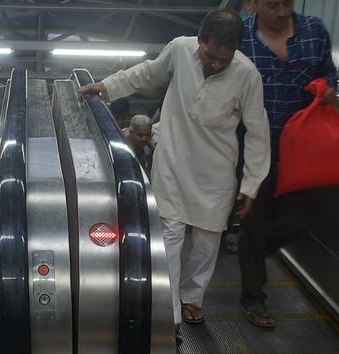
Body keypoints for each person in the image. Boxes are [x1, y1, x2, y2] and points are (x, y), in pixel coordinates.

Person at [79, 9, 270, 326]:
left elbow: (258, 132)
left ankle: (192, 298)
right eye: (211, 56)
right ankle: (171, 315)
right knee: (169, 237)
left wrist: (251, 185)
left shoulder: (247, 75)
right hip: (172, 162)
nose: (217, 64)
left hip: (216, 172)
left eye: (225, 58)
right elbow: (149, 73)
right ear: (200, 41)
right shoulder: (180, 49)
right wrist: (108, 86)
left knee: (207, 245)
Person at [236, 0, 338, 329]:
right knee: (254, 220)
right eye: (273, 5)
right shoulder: (241, 39)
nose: (282, 12)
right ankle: (254, 297)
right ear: (253, 4)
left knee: (304, 216)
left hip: (302, 148)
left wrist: (328, 89)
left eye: (288, 3)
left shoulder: (314, 31)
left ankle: (249, 252)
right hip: (253, 148)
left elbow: (330, 73)